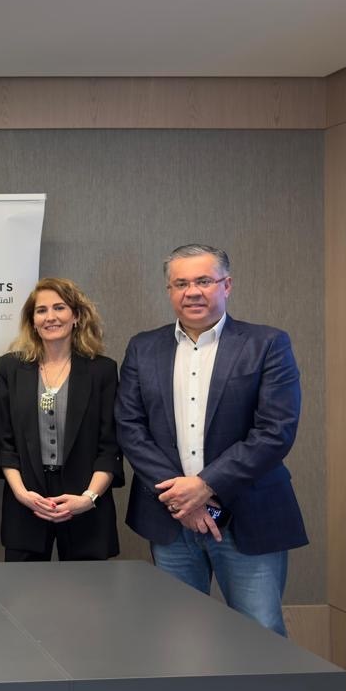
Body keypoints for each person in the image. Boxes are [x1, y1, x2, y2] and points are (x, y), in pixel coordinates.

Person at [116, 243, 305, 636]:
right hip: (170, 519)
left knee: (261, 634)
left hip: (249, 516)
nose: (192, 292)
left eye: (204, 281)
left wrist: (204, 486)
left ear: (227, 285)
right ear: (169, 290)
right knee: (178, 637)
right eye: (181, 283)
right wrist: (180, 497)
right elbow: (130, 426)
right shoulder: (143, 347)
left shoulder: (267, 344)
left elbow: (275, 431)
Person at [0, 278, 121, 561]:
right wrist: (22, 494)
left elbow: (109, 447)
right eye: (41, 310)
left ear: (76, 316)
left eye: (59, 308)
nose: (50, 317)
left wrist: (88, 498)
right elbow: (4, 443)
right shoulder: (11, 367)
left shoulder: (102, 371)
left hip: (84, 499)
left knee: (86, 586)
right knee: (23, 586)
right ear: (32, 321)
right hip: (27, 498)